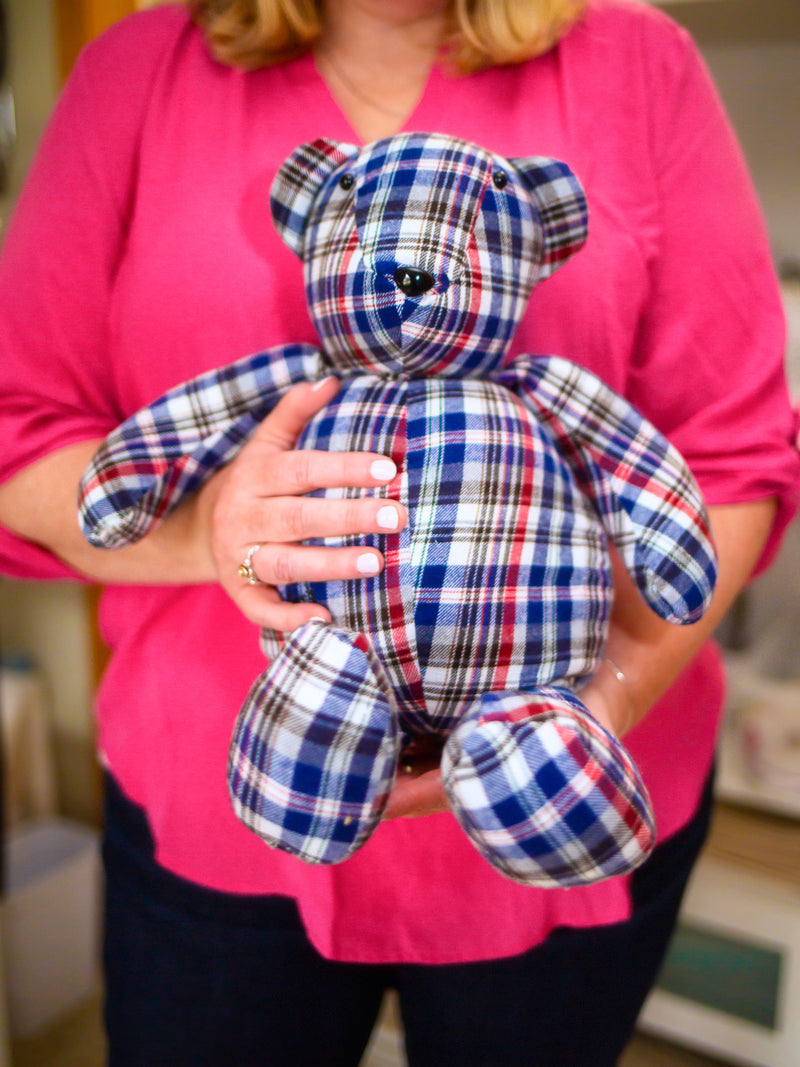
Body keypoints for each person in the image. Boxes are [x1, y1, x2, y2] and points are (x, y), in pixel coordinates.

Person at [0, 0, 797, 1063]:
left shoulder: (637, 59)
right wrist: (214, 531)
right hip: (227, 784)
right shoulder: (135, 70)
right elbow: (18, 433)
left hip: (563, 757)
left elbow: (734, 453)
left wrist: (601, 696)